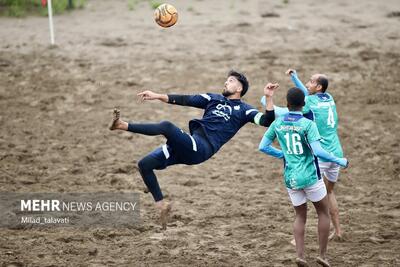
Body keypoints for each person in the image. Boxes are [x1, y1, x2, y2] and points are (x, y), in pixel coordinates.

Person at [109, 70, 278, 229]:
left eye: (231, 81)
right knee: (144, 164)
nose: (226, 83)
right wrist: (158, 96)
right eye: (226, 80)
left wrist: (268, 98)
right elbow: (186, 99)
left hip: (202, 148)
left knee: (166, 126)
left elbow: (266, 121)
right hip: (190, 144)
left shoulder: (245, 110)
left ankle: (122, 125)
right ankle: (161, 204)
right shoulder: (213, 98)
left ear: (239, 88)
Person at [259, 87, 348, 267]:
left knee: (300, 216)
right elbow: (318, 152)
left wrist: (283, 155)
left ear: (287, 103)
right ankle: (322, 255)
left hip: (291, 177)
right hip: (310, 176)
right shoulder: (308, 124)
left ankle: (300, 255)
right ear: (304, 104)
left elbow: (263, 146)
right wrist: (339, 160)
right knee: (323, 213)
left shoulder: (278, 123)